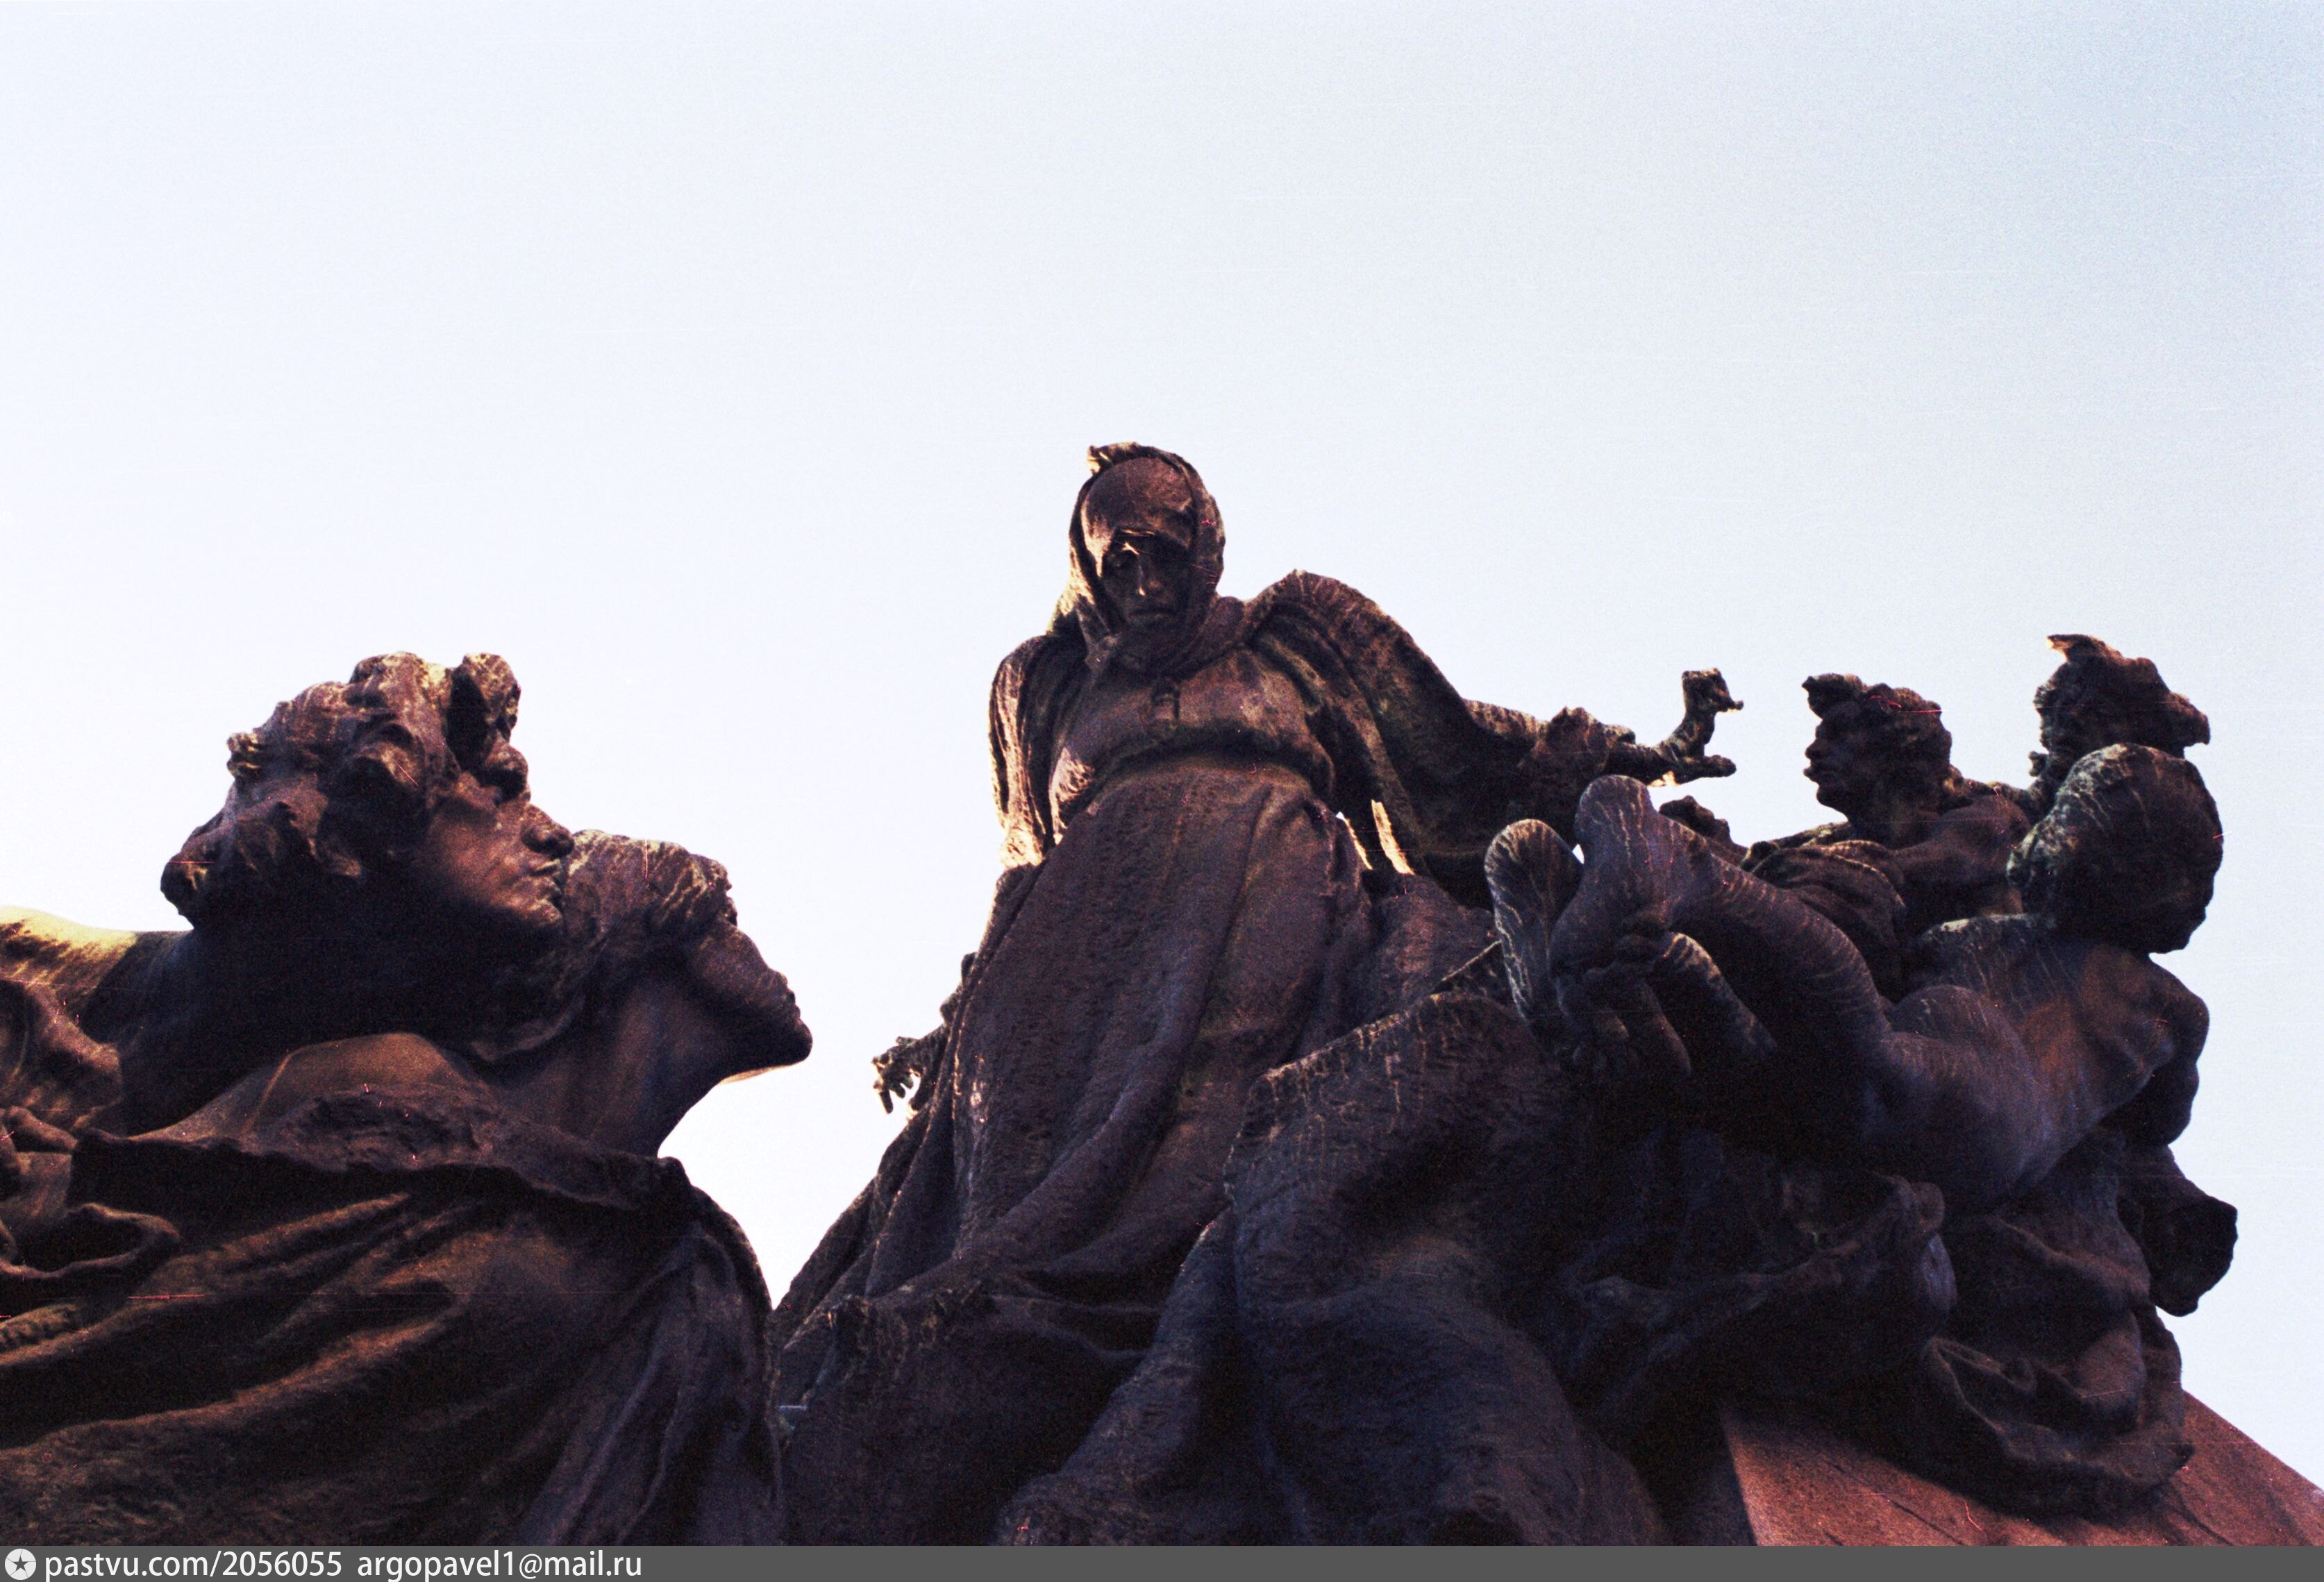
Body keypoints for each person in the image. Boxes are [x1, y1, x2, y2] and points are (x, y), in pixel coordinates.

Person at [771, 443, 1737, 1542]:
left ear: (1208, 537)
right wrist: (950, 1023)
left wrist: (1640, 751)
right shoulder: (1037, 684)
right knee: (1010, 1183)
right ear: (1086, 564)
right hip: (1071, 951)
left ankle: (1181, 1368)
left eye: (1166, 548)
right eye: (1117, 555)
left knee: (1209, 1147)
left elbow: (1458, 743)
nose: (1144, 576)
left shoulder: (1295, 633)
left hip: (1259, 897)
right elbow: (1020, 860)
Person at [0, 659, 812, 1543]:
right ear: (367, 809)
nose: (550, 835)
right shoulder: (29, 982)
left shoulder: (391, 1087)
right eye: (502, 794)